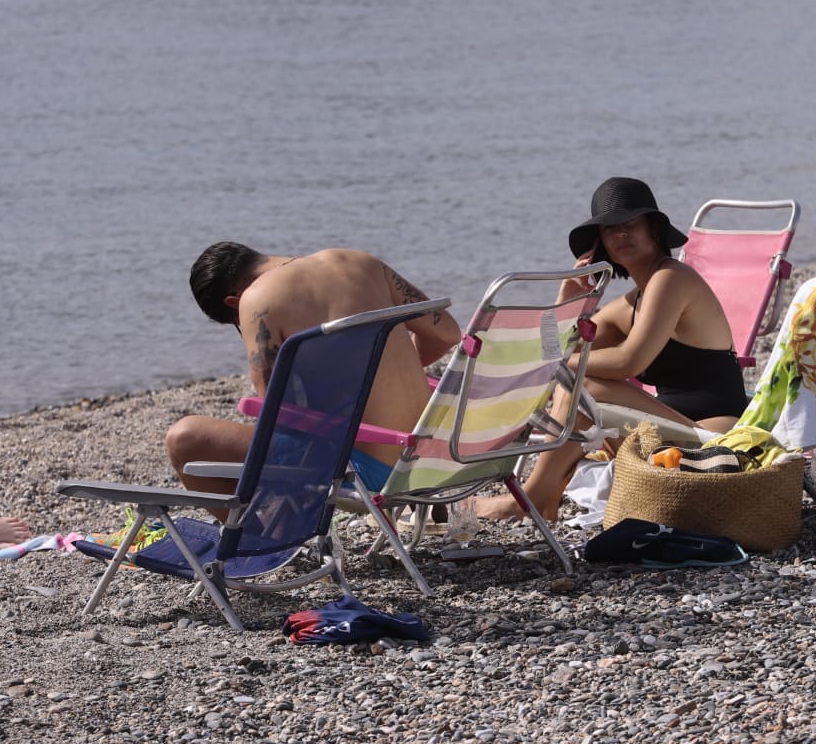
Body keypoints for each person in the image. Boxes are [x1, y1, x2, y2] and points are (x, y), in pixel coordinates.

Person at [478, 177, 747, 521]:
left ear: (654, 229)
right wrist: (569, 301)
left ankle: (530, 499)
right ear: (601, 243)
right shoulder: (633, 301)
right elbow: (558, 349)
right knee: (573, 378)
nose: (621, 233)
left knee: (581, 383)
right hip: (670, 430)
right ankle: (541, 497)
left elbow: (628, 360)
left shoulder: (671, 278)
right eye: (610, 228)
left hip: (714, 436)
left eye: (631, 223)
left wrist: (561, 365)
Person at [167, 243, 459, 496]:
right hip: (431, 457)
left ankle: (255, 542)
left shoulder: (256, 299)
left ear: (234, 301)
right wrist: (385, 373)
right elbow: (446, 334)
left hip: (370, 472)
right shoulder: (358, 261)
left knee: (185, 438)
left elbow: (278, 414)